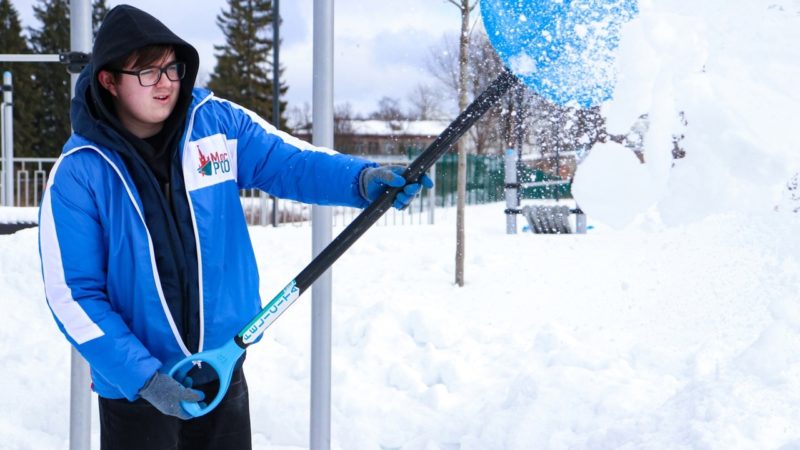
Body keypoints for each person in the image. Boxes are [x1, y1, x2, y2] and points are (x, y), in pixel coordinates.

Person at [38, 5, 431, 450]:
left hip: (221, 370)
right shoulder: (80, 174)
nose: (167, 82)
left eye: (172, 67)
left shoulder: (215, 124)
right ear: (109, 80)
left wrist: (360, 180)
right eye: (147, 71)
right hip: (137, 395)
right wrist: (144, 378)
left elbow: (290, 163)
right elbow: (73, 295)